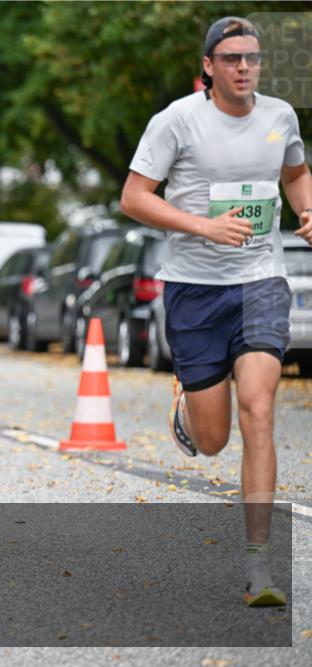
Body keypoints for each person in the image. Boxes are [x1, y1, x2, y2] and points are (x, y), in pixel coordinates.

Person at [120, 16, 312, 607]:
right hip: (195, 289)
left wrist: (306, 210)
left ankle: (260, 565)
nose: (243, 67)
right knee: (212, 441)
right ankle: (189, 406)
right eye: (231, 58)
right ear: (208, 66)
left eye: (252, 57)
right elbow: (133, 198)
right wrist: (203, 226)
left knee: (259, 408)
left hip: (260, 281)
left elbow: (295, 173)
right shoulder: (176, 121)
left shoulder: (280, 117)